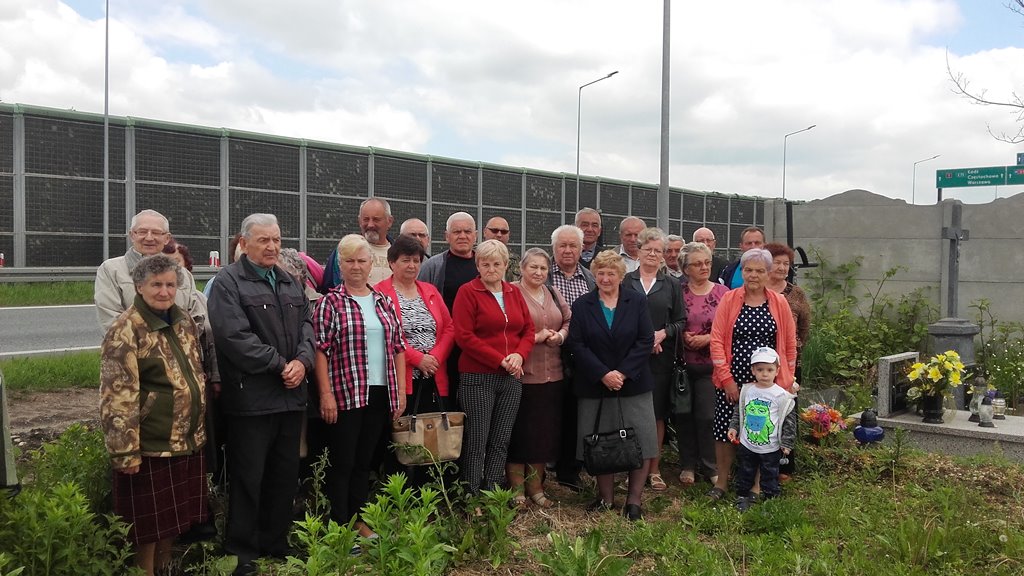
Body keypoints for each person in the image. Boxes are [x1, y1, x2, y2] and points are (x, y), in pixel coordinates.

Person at [207, 213, 315, 575]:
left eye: (276, 240)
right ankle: (242, 550)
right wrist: (279, 365)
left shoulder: (288, 281)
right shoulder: (228, 282)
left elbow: (307, 326)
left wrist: (302, 361)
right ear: (244, 242)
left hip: (290, 396)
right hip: (252, 399)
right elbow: (233, 337)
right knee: (248, 476)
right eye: (263, 240)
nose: (271, 247)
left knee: (284, 475)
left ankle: (275, 542)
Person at [99, 254, 208, 576]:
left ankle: (166, 565)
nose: (164, 292)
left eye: (171, 285)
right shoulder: (126, 330)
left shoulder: (184, 319)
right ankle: (143, 570)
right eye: (156, 285)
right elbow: (117, 396)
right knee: (146, 524)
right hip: (149, 442)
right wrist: (125, 452)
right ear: (139, 287)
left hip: (185, 437)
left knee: (173, 517)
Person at [313, 234, 406, 538]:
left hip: (380, 392)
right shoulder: (331, 303)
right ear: (340, 265)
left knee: (364, 463)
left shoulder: (384, 301)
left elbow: (398, 347)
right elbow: (321, 351)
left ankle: (358, 521)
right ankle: (340, 525)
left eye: (361, 261)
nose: (356, 266)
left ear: (371, 264)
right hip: (345, 394)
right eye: (349, 261)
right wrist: (325, 394)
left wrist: (401, 392)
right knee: (343, 462)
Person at [566, 250, 655, 521]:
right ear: (595, 274)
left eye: (611, 273)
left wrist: (623, 372)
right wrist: (603, 374)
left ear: (621, 275)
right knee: (601, 443)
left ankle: (634, 501)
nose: (605, 278)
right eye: (600, 273)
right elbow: (576, 345)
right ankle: (605, 499)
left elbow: (645, 339)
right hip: (596, 385)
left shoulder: (636, 301)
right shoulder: (582, 305)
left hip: (634, 383)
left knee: (641, 440)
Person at [707, 248, 797, 502]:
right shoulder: (730, 299)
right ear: (742, 272)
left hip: (767, 380)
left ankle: (757, 486)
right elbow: (716, 340)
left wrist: (785, 380)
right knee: (724, 429)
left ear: (768, 273)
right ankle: (722, 482)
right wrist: (727, 380)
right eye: (748, 270)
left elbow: (789, 345)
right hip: (732, 378)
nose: (753, 275)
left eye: (759, 270)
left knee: (761, 430)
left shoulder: (778, 303)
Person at [452, 239, 534, 493]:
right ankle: (472, 494)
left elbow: (529, 330)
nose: (491, 269)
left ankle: (494, 490)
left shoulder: (514, 292)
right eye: (485, 264)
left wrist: (519, 355)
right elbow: (464, 336)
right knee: (477, 440)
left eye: (496, 264)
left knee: (501, 438)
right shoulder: (468, 291)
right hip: (478, 377)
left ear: (506, 265)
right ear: (477, 265)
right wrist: (499, 359)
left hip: (511, 378)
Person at [374, 234, 455, 486]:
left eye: (416, 260)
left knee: (428, 437)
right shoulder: (380, 293)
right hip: (401, 379)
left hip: (433, 376)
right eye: (405, 260)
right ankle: (398, 494)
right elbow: (384, 334)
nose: (412, 266)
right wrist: (417, 358)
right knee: (400, 436)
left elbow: (449, 328)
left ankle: (425, 494)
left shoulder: (429, 291)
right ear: (391, 263)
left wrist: (435, 357)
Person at [508, 248, 570, 509]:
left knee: (543, 435)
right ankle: (516, 490)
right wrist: (535, 338)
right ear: (521, 268)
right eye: (533, 267)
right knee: (520, 435)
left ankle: (537, 488)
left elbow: (568, 320)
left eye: (543, 268)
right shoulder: (511, 292)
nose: (538, 272)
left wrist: (561, 336)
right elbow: (506, 333)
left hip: (552, 376)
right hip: (522, 376)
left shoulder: (553, 292)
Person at [623, 228, 685, 492]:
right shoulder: (625, 281)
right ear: (638, 250)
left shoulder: (671, 284)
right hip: (631, 358)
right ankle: (631, 468)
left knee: (656, 414)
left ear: (663, 256)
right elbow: (618, 317)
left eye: (657, 250)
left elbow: (681, 321)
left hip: (661, 359)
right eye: (647, 249)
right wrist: (642, 342)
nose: (652, 254)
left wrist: (661, 334)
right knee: (631, 413)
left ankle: (654, 469)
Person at [95, 209, 207, 332]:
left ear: (167, 238)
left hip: (180, 348)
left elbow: (196, 319)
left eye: (156, 233)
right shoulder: (111, 270)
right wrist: (156, 344)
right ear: (132, 235)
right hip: (132, 349)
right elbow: (111, 321)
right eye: (142, 232)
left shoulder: (183, 274)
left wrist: (182, 343)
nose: (149, 238)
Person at [547, 224, 596, 492]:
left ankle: (570, 468)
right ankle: (546, 464)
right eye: (562, 246)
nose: (567, 250)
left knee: (576, 412)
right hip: (547, 352)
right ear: (553, 248)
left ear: (581, 249)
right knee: (549, 411)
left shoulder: (590, 279)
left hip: (581, 356)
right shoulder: (543, 277)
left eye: (573, 246)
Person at [676, 242, 729, 486]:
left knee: (707, 416)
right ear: (685, 268)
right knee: (683, 414)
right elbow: (670, 320)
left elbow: (730, 328)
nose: (704, 267)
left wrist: (707, 338)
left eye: (707, 262)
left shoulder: (722, 292)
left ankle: (710, 465)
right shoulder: (677, 290)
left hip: (711, 366)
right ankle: (687, 463)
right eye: (697, 264)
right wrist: (682, 335)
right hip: (682, 366)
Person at [727, 346, 797, 511]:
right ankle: (742, 496)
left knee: (770, 473)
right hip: (747, 444)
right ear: (753, 370)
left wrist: (787, 443)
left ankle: (770, 499)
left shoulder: (781, 396)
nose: (764, 374)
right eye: (760, 369)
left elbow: (788, 420)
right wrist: (734, 427)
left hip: (771, 446)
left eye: (769, 369)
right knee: (745, 470)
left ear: (777, 370)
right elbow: (740, 411)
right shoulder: (747, 390)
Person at [764, 242, 812, 481]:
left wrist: (791, 351)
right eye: (778, 262)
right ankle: (758, 459)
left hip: (789, 364)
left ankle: (785, 464)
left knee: (786, 413)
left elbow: (804, 328)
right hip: (760, 364)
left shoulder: (796, 294)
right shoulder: (755, 290)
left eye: (786, 264)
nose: (783, 268)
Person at [419, 211, 479, 401]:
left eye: (467, 231)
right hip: (446, 346)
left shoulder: (485, 264)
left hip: (478, 346)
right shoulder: (433, 266)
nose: (462, 236)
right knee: (449, 397)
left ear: (475, 235)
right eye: (456, 232)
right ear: (447, 236)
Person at [320, 197, 395, 291]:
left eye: (376, 219)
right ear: (359, 221)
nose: (370, 225)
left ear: (389, 221)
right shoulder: (345, 249)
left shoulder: (399, 253)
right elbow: (329, 287)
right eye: (366, 219)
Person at [483, 216, 521, 282]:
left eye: (504, 232)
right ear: (485, 232)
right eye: (494, 230)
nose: (499, 235)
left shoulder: (516, 261)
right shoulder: (473, 256)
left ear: (508, 235)